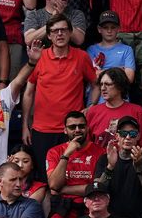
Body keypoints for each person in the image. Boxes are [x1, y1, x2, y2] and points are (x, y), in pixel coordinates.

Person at [22, 15, 98, 177]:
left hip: (71, 130)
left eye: (64, 30)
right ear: (48, 35)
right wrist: (25, 125)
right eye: (55, 31)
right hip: (42, 129)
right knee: (44, 178)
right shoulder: (40, 57)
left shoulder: (82, 56)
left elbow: (95, 84)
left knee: (71, 176)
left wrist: (91, 106)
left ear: (70, 33)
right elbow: (28, 92)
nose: (60, 34)